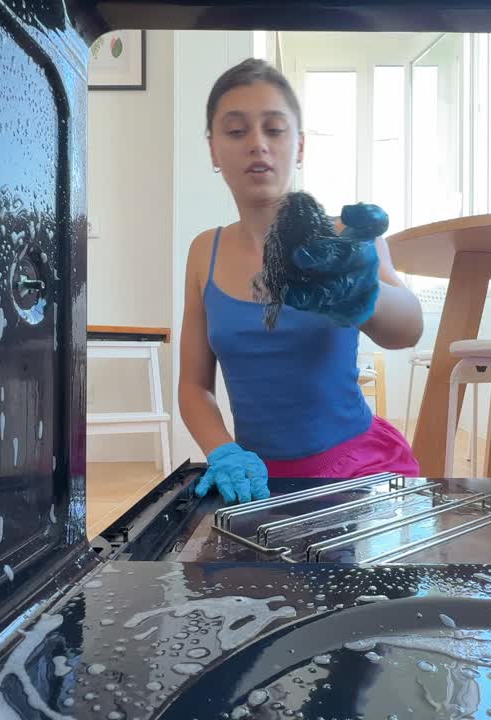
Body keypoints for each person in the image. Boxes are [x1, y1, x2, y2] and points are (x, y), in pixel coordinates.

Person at [179, 58, 424, 505]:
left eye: (274, 129)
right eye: (236, 131)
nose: (257, 144)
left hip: (359, 470)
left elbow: (409, 330)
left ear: (301, 146)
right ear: (213, 149)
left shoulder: (343, 238)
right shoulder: (203, 252)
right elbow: (195, 386)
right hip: (255, 480)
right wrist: (223, 451)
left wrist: (361, 288)